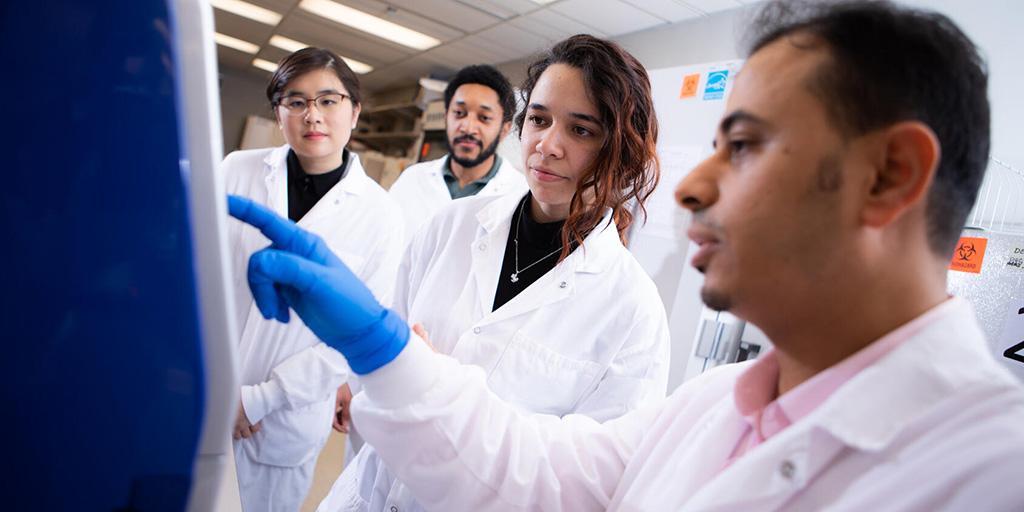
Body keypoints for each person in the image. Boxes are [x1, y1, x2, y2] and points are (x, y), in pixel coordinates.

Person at [228, 1, 1024, 510]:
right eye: (538, 120)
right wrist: (384, 351)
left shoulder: (992, 472)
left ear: (888, 176)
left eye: (743, 146)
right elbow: (532, 469)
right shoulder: (712, 403)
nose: (694, 189)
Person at [320, 34, 671, 511]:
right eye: (540, 120)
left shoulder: (634, 313)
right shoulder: (452, 227)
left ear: (624, 152)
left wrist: (428, 383)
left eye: (581, 130)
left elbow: (592, 482)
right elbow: (376, 373)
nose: (547, 145)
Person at [220, 47, 404, 512]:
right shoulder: (236, 171)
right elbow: (196, 281)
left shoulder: (381, 216)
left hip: (281, 423)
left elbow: (354, 334)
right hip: (202, 391)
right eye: (295, 101)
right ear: (278, 112)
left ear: (354, 111)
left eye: (328, 100)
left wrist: (259, 400)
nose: (312, 115)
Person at [388, 64, 527, 239]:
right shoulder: (412, 179)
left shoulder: (520, 196)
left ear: (504, 130)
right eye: (459, 113)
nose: (468, 128)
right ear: (446, 117)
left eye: (484, 118)